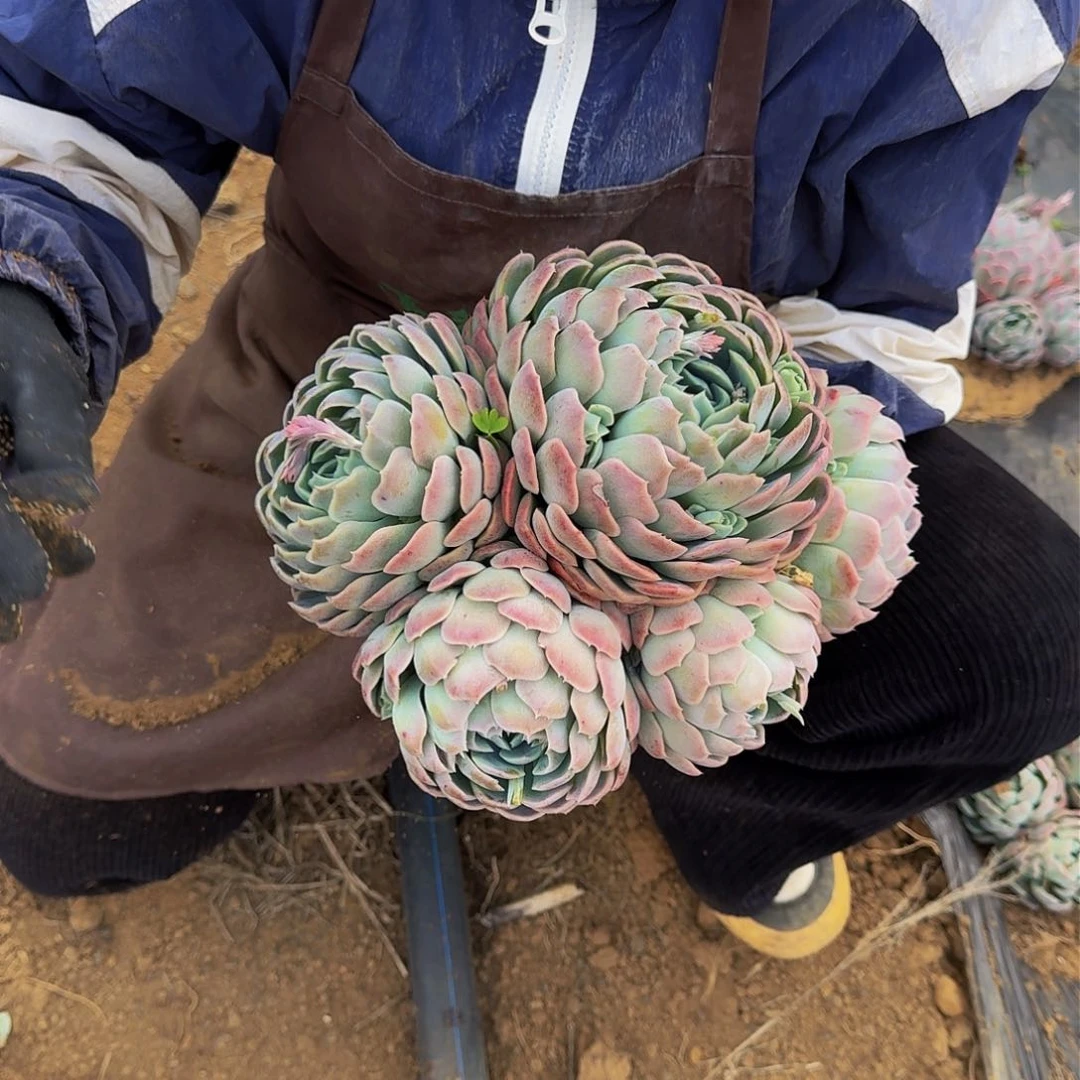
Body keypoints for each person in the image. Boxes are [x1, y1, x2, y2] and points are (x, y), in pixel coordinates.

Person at [0, 0, 1077, 959]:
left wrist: (724, 512)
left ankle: (716, 811)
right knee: (55, 817)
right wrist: (28, 283)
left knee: (1027, 647)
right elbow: (79, 109)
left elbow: (880, 304)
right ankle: (453, 699)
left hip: (702, 477)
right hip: (339, 405)